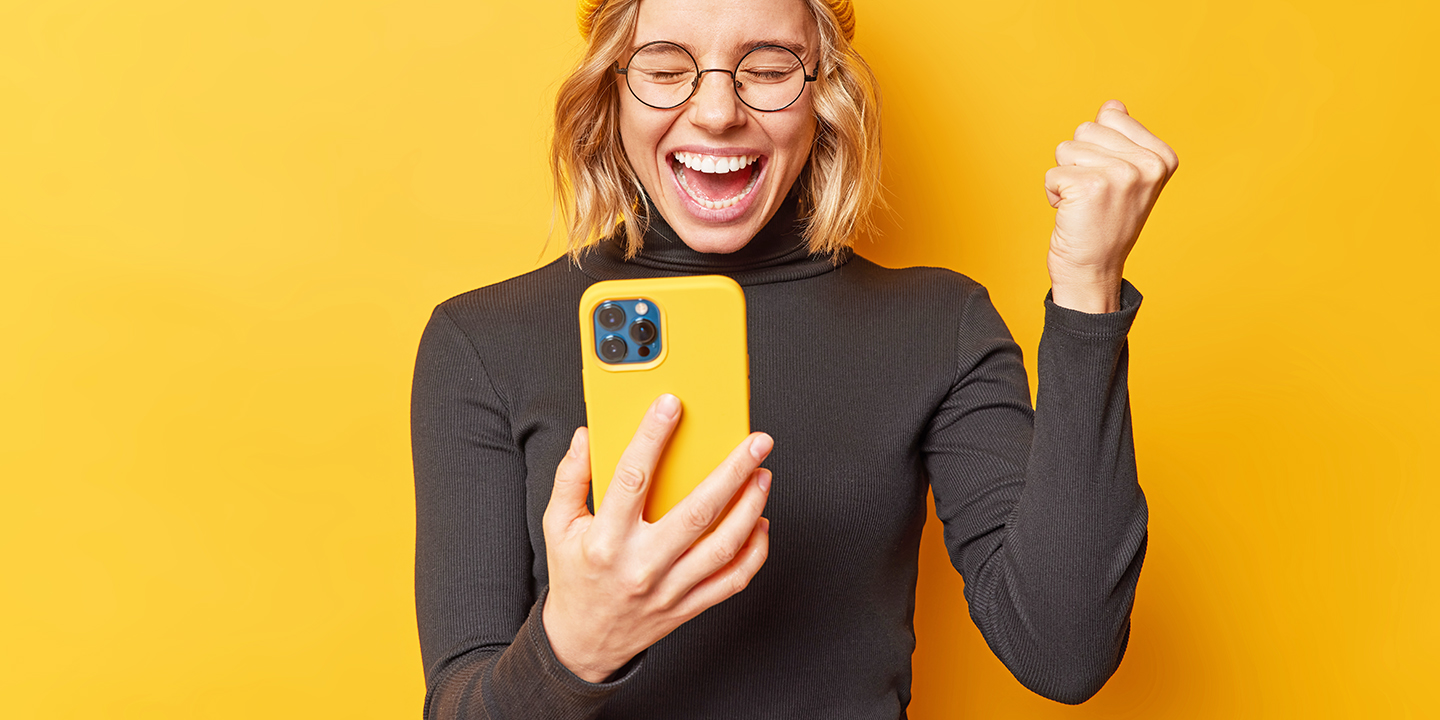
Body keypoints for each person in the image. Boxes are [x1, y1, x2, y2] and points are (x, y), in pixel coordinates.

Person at [410, 0, 1178, 717]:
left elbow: (1066, 654)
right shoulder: (482, 342)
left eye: (770, 68)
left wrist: (1087, 292)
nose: (716, 113)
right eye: (666, 68)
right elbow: (458, 697)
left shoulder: (940, 323)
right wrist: (575, 645)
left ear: (825, 90)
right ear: (611, 90)